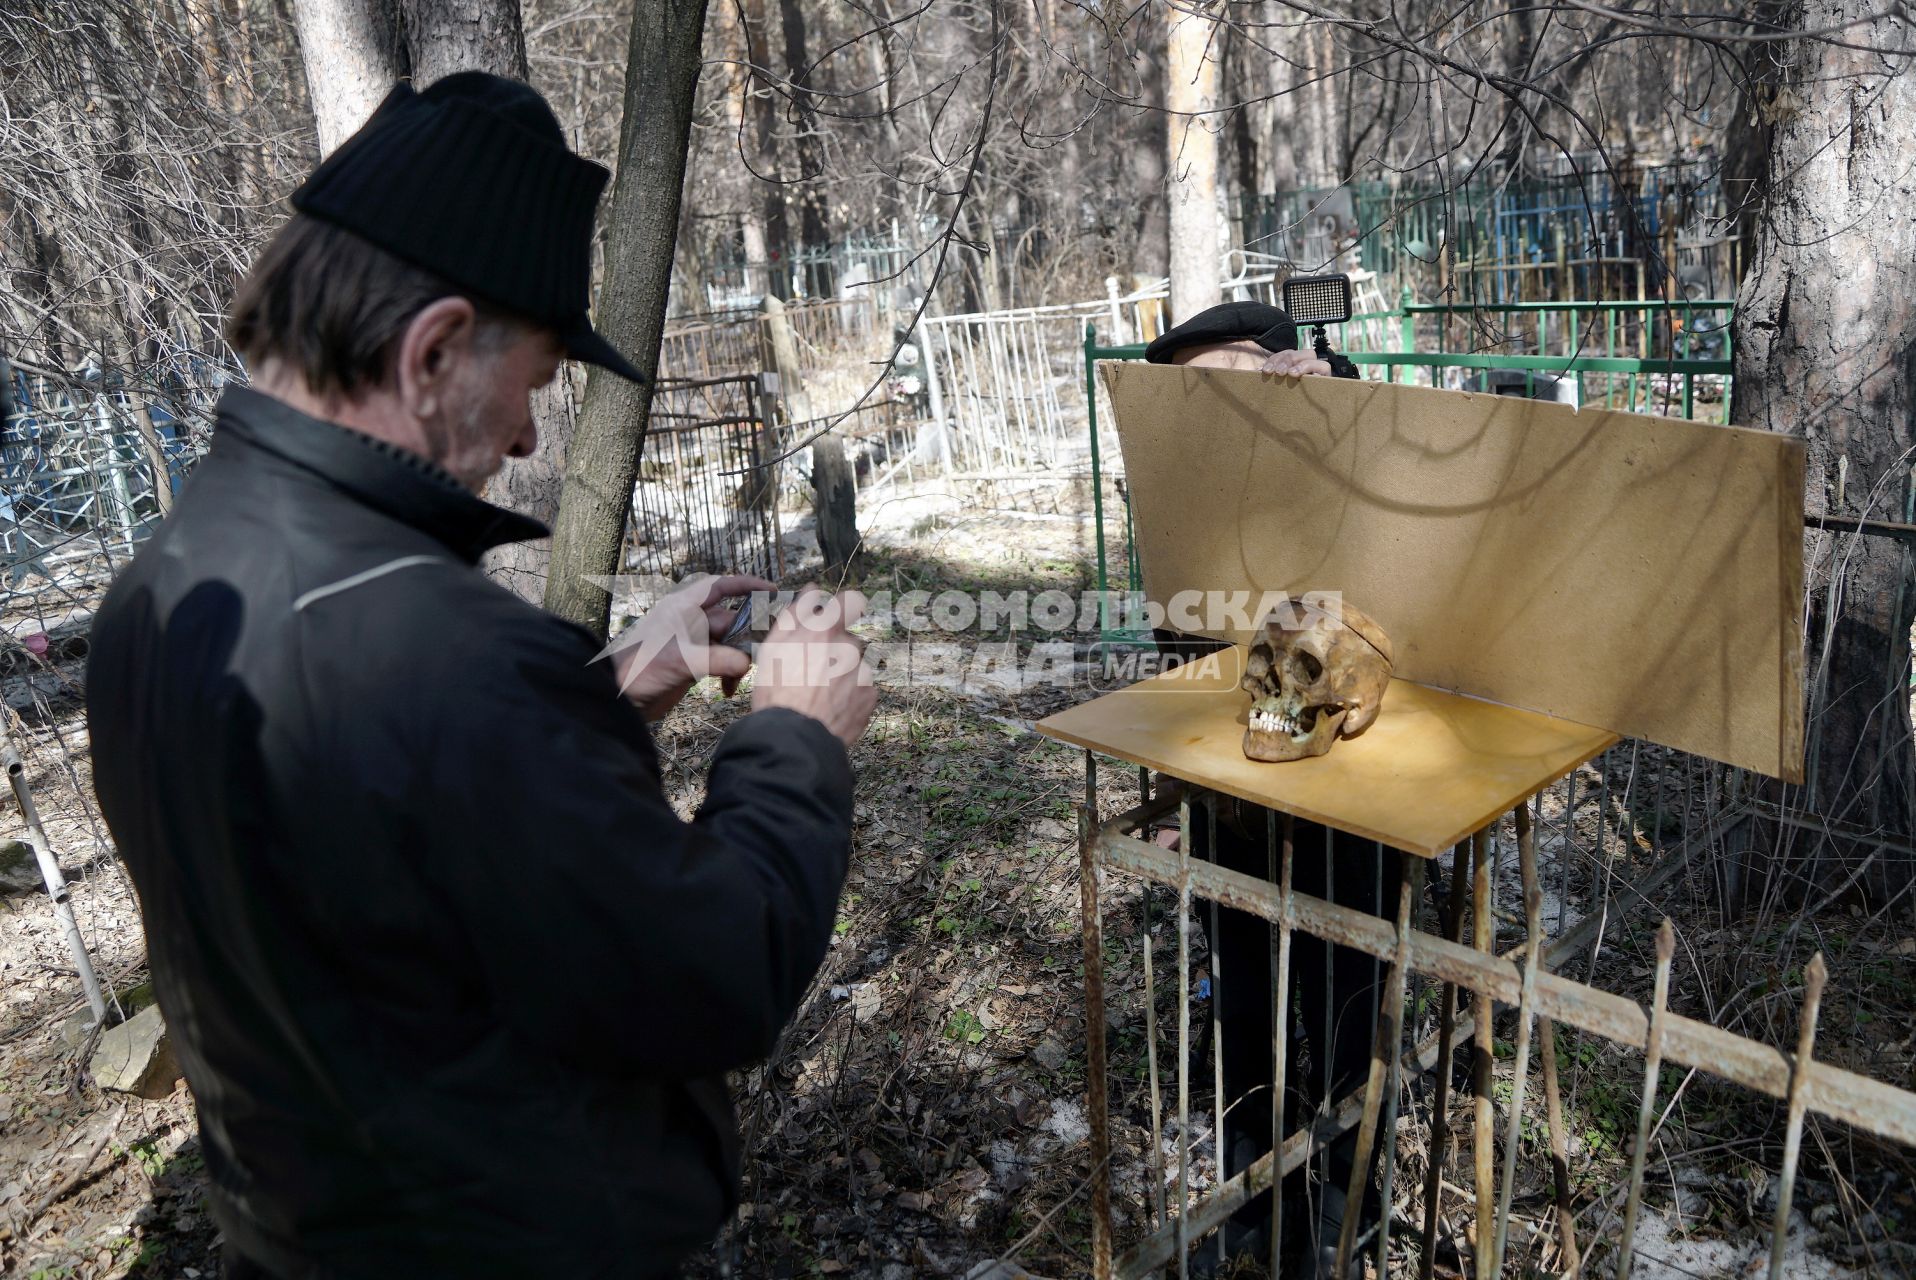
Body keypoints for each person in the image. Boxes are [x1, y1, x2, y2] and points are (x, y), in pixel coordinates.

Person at [84, 73, 874, 1279]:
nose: (522, 437)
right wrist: (796, 742)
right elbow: (713, 974)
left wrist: (602, 695)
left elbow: (367, 855)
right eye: (538, 383)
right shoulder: (450, 660)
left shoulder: (163, 590)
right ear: (436, 347)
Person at [1141, 301, 1402, 1276]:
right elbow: (1173, 642)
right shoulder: (1192, 486)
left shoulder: (1328, 413)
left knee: (1345, 1000)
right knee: (1245, 1000)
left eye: (1232, 377)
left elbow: (1408, 482)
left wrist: (1334, 378)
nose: (1213, 405)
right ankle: (1258, 1198)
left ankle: (1350, 1204)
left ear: (1277, 361)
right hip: (1237, 788)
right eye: (1192, 388)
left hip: (1351, 783)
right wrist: (1169, 787)